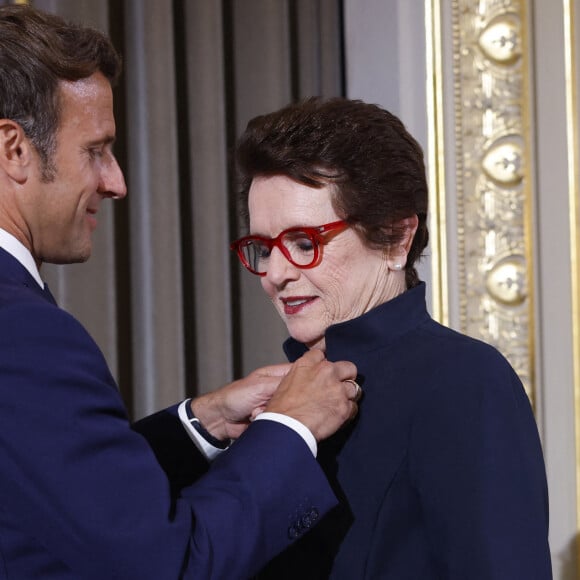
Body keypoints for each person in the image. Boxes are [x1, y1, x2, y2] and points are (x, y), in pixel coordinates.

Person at [0, 6, 362, 579]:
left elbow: (53, 489)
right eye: (95, 150)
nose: (115, 182)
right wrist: (289, 428)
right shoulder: (23, 331)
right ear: (14, 148)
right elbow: (170, 566)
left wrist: (202, 422)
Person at [231, 96, 552, 579]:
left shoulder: (463, 381)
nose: (274, 274)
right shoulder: (272, 399)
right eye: (263, 246)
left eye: (304, 244)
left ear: (397, 238)